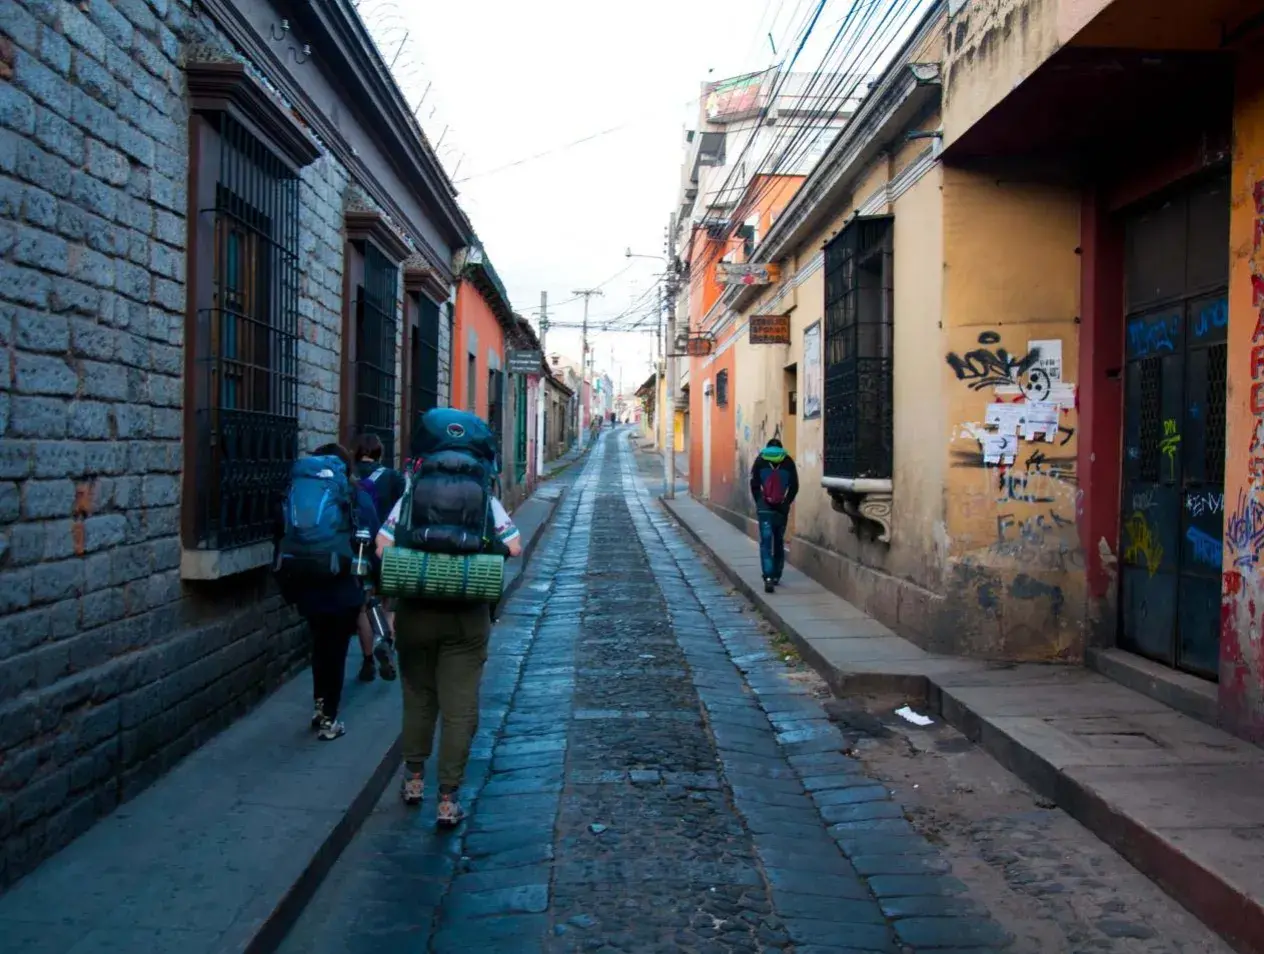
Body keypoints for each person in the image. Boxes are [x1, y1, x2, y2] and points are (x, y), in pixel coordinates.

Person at [376, 409, 522, 829]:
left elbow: (384, 546)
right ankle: (447, 799)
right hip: (466, 617)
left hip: (416, 611)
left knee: (418, 697)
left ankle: (413, 781)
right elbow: (514, 548)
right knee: (459, 708)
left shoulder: (410, 493)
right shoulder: (486, 496)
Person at [275, 443, 381, 740]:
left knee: (320, 646)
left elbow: (279, 530)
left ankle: (320, 705)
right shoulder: (355, 496)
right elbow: (372, 538)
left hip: (307, 581)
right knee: (335, 651)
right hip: (344, 583)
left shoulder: (299, 493)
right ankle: (328, 718)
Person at [349, 433, 405, 682]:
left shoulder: (349, 477)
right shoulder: (392, 478)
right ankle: (387, 643)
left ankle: (368, 660)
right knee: (387, 604)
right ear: (380, 453)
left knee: (363, 605)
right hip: (387, 548)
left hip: (359, 550)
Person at [749, 437, 799, 594]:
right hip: (781, 509)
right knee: (778, 541)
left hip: (764, 508)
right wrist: (786, 503)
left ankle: (768, 577)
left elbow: (754, 485)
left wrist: (759, 501)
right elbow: (794, 486)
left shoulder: (760, 460)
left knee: (765, 542)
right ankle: (777, 574)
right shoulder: (788, 461)